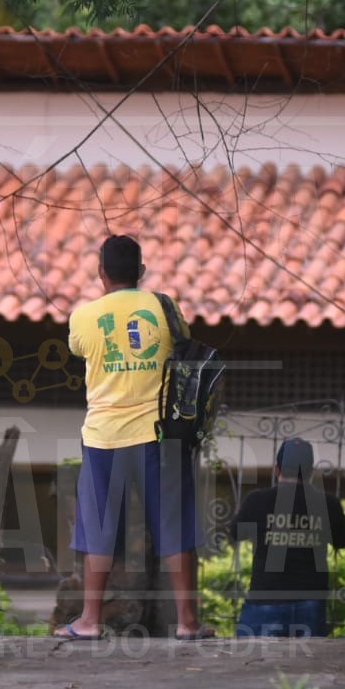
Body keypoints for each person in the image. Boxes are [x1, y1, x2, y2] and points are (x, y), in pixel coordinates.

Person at [56, 234, 213, 641]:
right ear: (141, 272)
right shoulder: (165, 307)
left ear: (100, 272)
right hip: (160, 434)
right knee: (174, 526)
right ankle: (188, 622)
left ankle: (90, 622)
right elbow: (184, 346)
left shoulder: (83, 317)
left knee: (98, 529)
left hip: (103, 437)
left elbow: (77, 350)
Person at [229, 438, 345, 638]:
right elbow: (343, 540)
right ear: (310, 471)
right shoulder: (328, 504)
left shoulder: (257, 500)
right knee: (307, 668)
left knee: (253, 665)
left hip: (265, 601)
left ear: (277, 469)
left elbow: (235, 533)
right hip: (311, 603)